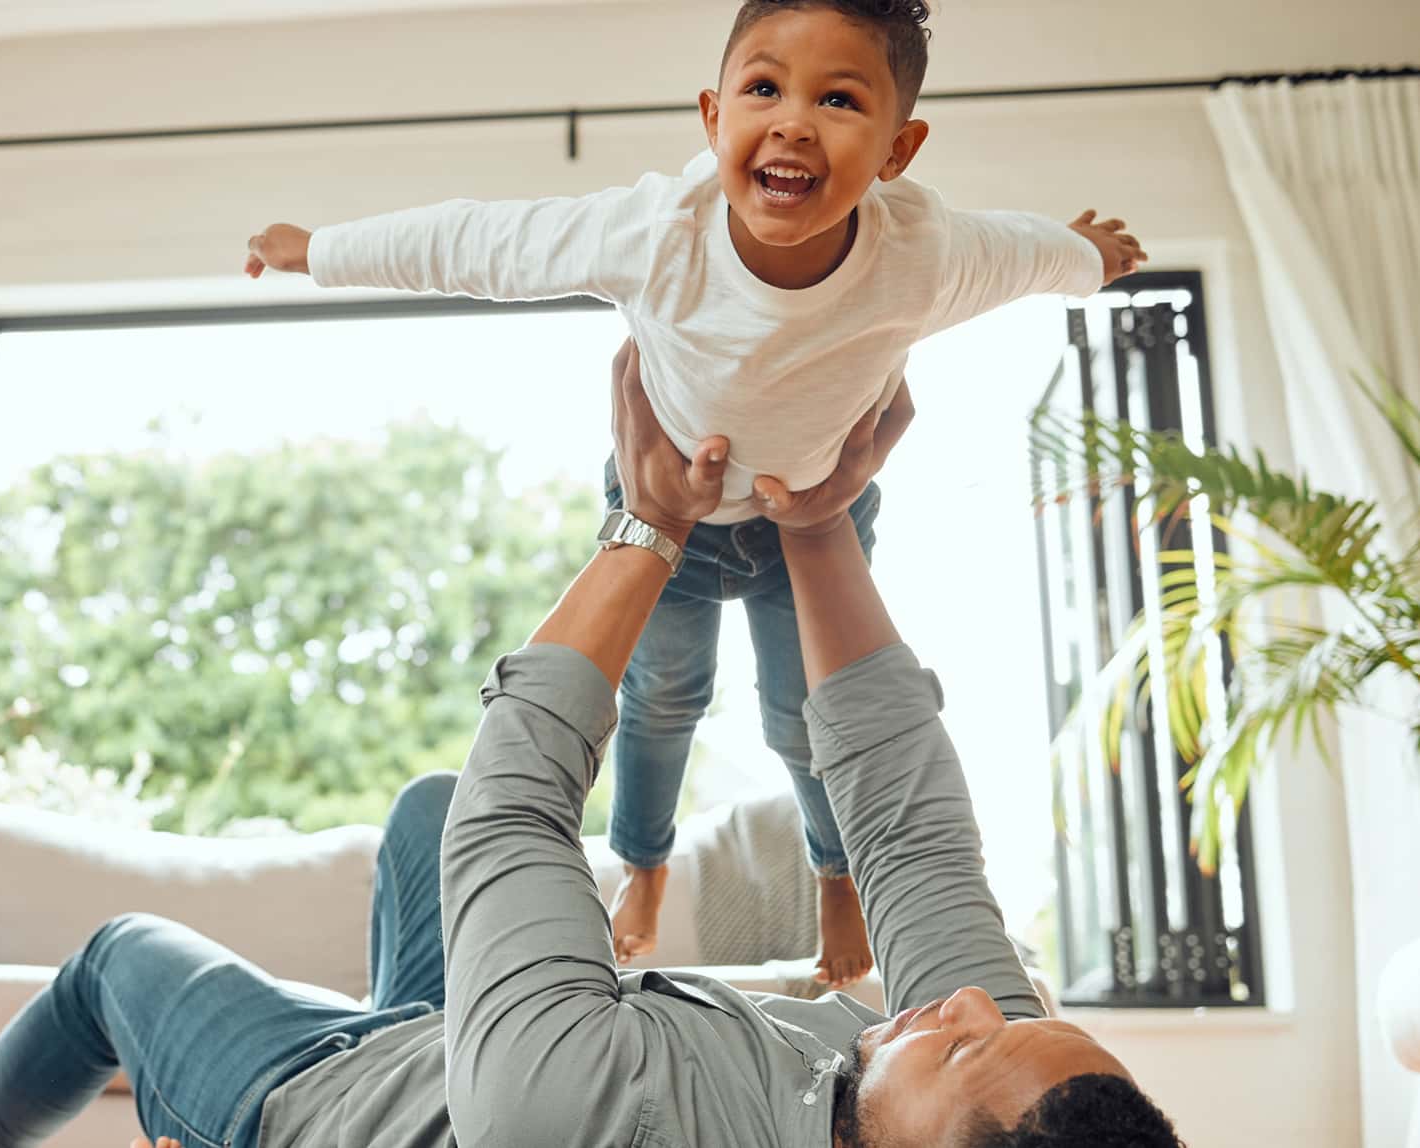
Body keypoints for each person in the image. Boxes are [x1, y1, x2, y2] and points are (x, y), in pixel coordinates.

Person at [0, 343, 1185, 1148]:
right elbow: (907, 829)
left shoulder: (588, 1120)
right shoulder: (995, 1073)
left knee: (115, 957)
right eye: (994, 1013)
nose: (965, 1002)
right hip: (459, 1053)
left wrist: (645, 523)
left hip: (315, 1103)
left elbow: (515, 806)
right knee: (420, 809)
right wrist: (816, 524)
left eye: (961, 1038)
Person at [242, 0, 1149, 984]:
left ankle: (833, 871)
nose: (793, 121)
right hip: (671, 511)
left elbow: (1027, 253)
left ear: (897, 150)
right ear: (712, 118)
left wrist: (1089, 257)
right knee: (659, 697)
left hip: (814, 511)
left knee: (801, 716)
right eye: (764, 88)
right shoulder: (655, 233)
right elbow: (480, 243)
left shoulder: (921, 254)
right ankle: (642, 861)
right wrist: (319, 249)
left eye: (837, 99)